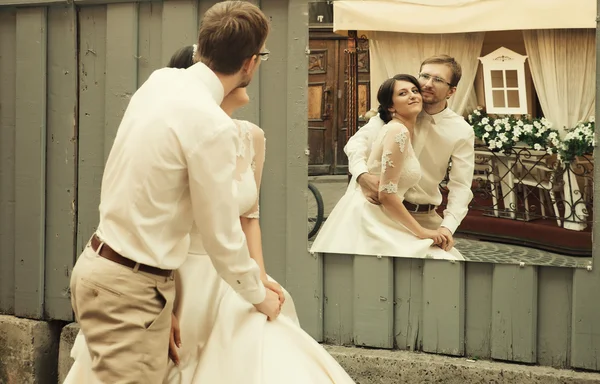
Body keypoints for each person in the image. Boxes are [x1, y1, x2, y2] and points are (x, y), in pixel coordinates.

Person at [65, 44, 356, 384]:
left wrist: (260, 278)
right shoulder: (186, 130)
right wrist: (169, 305)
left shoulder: (251, 137)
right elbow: (191, 226)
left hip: (234, 276)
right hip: (177, 274)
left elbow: (249, 217)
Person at [66, 2, 281, 383]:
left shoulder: (160, 82)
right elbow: (220, 235)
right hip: (128, 288)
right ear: (250, 63)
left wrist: (162, 303)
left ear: (202, 47)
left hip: (113, 269)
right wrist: (258, 295)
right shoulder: (214, 126)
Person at [310, 75, 466, 261]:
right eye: (403, 93)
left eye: (415, 91)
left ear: (451, 90)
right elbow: (384, 191)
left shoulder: (451, 128)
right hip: (373, 217)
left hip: (392, 215)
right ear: (391, 106)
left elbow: (461, 186)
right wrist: (422, 232)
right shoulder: (396, 130)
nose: (414, 95)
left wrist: (441, 227)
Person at [345, 55, 475, 251]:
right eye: (424, 76)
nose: (428, 84)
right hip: (379, 211)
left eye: (438, 80)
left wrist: (448, 227)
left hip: (424, 217)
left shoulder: (461, 131)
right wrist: (362, 175)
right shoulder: (396, 111)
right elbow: (356, 143)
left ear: (451, 91)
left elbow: (461, 185)